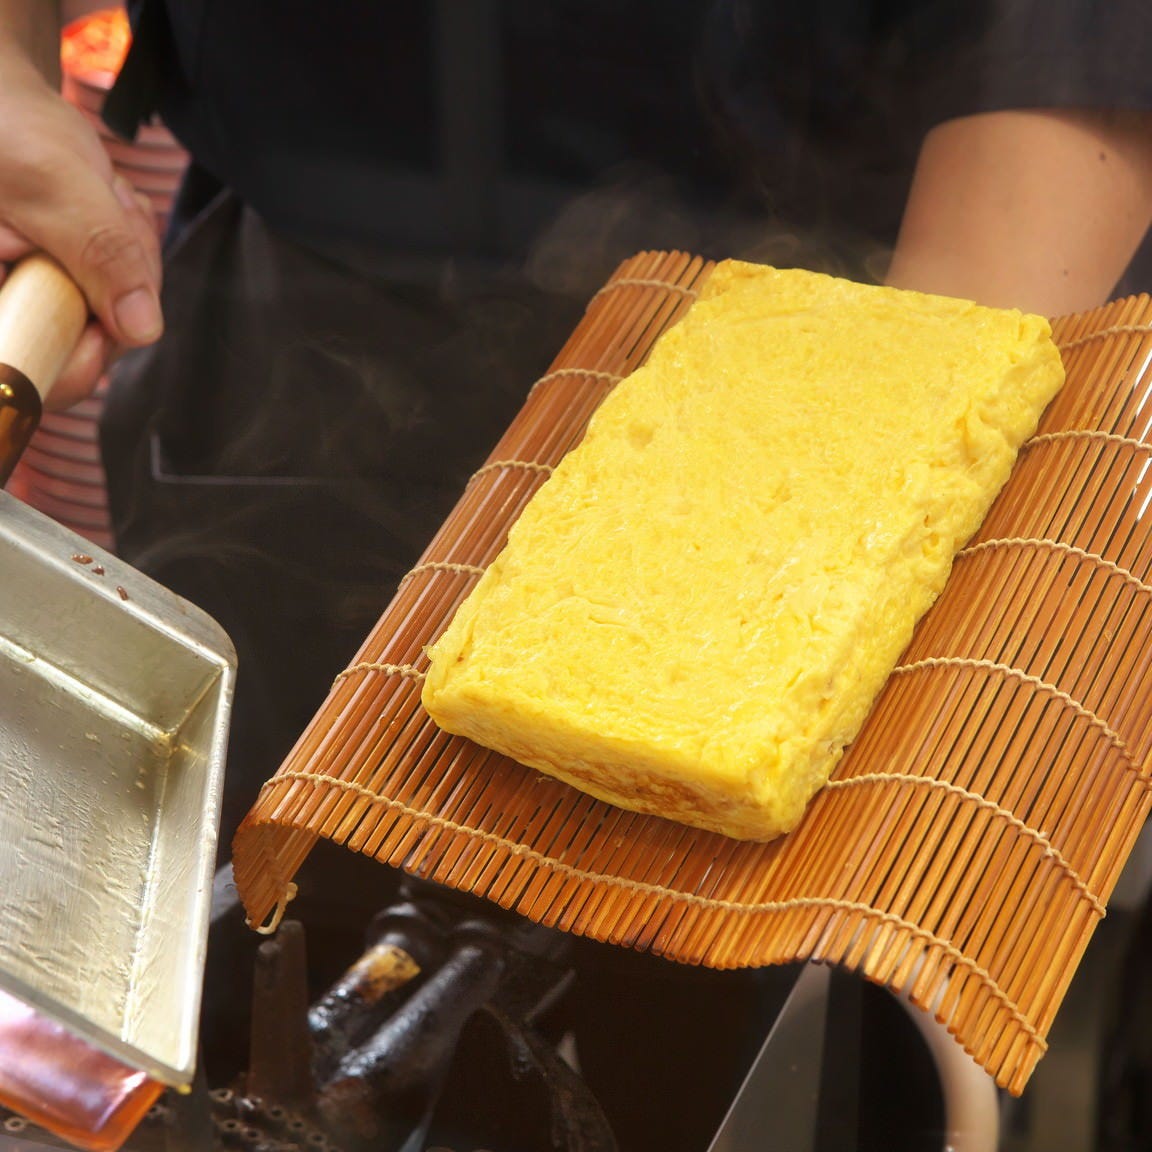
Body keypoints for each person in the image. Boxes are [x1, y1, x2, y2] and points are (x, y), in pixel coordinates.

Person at [1, 2, 1151, 1148]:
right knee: (226, 947)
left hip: (843, 310)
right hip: (298, 329)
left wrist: (885, 482)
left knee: (707, 1063)